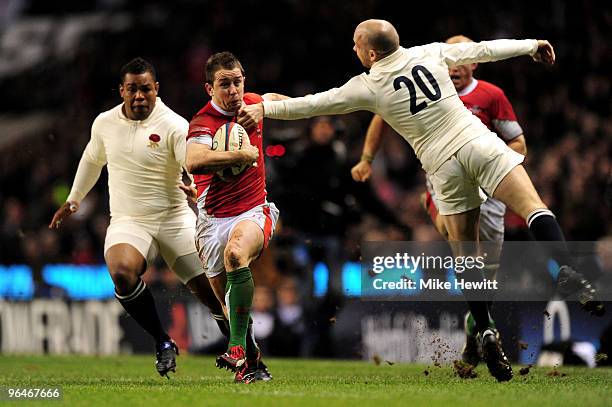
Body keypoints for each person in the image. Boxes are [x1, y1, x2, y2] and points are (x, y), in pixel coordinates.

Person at [237, 19, 605, 382]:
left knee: (466, 255)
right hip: (477, 143)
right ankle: (566, 268)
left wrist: (265, 109)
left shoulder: (369, 85)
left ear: (370, 51)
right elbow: (484, 50)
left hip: (442, 167)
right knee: (534, 208)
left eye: (355, 43)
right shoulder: (431, 52)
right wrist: (532, 44)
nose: (352, 49)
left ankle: (486, 329)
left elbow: (317, 104)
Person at [351, 34, 529, 368]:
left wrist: (491, 163)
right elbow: (379, 117)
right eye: (452, 59)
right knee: (463, 251)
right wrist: (366, 158)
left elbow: (518, 144)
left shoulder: (491, 95)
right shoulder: (424, 86)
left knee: (484, 273)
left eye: (463, 60)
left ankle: (475, 331)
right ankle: (487, 330)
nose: (456, 67)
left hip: (489, 193)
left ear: (474, 62)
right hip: (447, 185)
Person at [49, 57, 230, 378]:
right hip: (129, 221)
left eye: (145, 88)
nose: (139, 96)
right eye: (132, 89)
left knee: (214, 294)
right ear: (121, 90)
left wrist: (196, 189)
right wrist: (73, 200)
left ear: (156, 89)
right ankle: (162, 342)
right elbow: (92, 159)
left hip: (175, 220)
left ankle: (243, 352)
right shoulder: (104, 123)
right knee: (121, 272)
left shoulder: (174, 125)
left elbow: (192, 164)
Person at [185, 51, 286, 383]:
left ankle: (238, 351)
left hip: (253, 210)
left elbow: (281, 102)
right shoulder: (202, 122)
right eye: (224, 84)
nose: (233, 91)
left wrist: (280, 107)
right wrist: (241, 154)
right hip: (211, 222)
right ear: (208, 89)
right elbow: (195, 161)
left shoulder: (252, 104)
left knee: (236, 254)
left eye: (237, 82)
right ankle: (253, 362)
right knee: (229, 305)